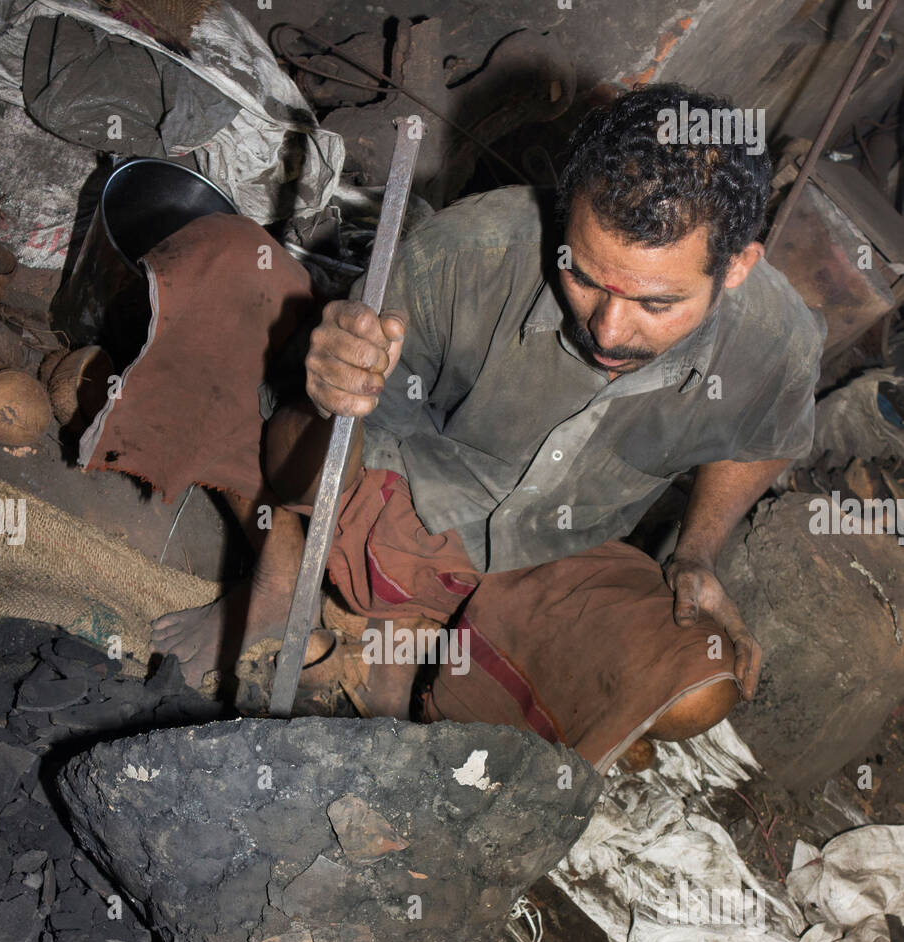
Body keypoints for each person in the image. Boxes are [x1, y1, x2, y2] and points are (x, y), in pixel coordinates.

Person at [153, 82, 824, 771]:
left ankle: (405, 653)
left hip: (553, 548)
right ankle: (284, 570)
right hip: (410, 485)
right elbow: (336, 420)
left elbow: (761, 441)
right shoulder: (471, 250)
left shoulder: (776, 343)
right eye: (586, 278)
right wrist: (331, 379)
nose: (607, 328)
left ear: (738, 265)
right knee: (226, 290)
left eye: (656, 303)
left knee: (696, 689)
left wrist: (696, 553)